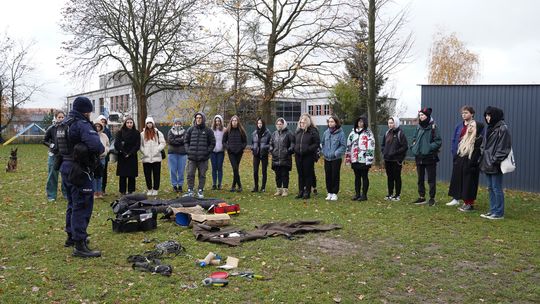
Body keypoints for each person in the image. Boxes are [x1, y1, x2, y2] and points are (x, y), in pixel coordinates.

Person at [58, 96, 104, 258]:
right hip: (79, 169)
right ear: (86, 111)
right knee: (82, 205)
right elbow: (97, 146)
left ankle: (71, 236)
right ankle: (80, 244)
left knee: (72, 203)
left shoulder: (63, 124)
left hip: (65, 166)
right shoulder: (81, 124)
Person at [480, 106, 511, 220]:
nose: (487, 118)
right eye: (486, 115)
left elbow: (504, 148)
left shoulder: (502, 129)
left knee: (496, 188)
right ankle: (493, 210)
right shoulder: (490, 128)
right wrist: (483, 154)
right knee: (490, 188)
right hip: (487, 162)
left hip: (495, 163)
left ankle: (498, 213)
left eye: (489, 115)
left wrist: (494, 160)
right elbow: (484, 144)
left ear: (495, 116)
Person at [448, 120, 484, 212]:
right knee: (463, 184)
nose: (470, 128)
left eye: (473, 126)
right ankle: (465, 202)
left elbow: (476, 155)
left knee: (470, 185)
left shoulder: (478, 140)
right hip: (462, 164)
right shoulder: (465, 138)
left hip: (471, 166)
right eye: (470, 126)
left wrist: (471, 165)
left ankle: (470, 204)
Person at [410, 108, 442, 206]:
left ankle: (432, 198)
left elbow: (438, 141)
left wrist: (428, 148)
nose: (421, 117)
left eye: (423, 115)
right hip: (419, 157)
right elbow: (414, 138)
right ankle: (421, 197)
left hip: (430, 157)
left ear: (427, 116)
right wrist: (413, 146)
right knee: (420, 178)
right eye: (420, 115)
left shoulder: (433, 127)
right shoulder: (418, 127)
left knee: (431, 179)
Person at [447, 106, 476, 206]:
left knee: (466, 178)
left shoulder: (474, 125)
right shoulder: (459, 126)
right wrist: (453, 151)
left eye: (466, 112)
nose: (464, 114)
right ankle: (455, 198)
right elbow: (454, 139)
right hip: (458, 155)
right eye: (463, 113)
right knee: (456, 177)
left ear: (472, 114)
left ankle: (467, 200)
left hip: (468, 155)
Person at [184, 112, 216, 198]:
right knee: (190, 174)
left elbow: (212, 143)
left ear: (203, 119)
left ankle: (200, 190)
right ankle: (190, 190)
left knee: (202, 175)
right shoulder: (190, 130)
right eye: (197, 118)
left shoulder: (208, 131)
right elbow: (186, 141)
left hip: (203, 158)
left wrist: (207, 152)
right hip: (192, 157)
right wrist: (188, 151)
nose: (198, 119)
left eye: (200, 118)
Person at [345, 116, 375, 201]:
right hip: (355, 158)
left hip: (364, 158)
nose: (360, 123)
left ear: (364, 123)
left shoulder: (368, 133)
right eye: (358, 122)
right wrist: (348, 157)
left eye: (362, 122)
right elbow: (348, 145)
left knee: (364, 176)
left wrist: (369, 158)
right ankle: (357, 194)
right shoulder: (353, 133)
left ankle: (364, 195)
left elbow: (371, 145)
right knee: (357, 176)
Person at [381, 116, 408, 201]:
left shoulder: (400, 133)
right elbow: (383, 145)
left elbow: (405, 147)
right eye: (389, 123)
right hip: (387, 159)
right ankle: (390, 194)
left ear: (395, 123)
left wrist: (395, 152)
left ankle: (397, 195)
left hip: (396, 160)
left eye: (392, 123)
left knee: (397, 177)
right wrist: (384, 152)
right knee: (389, 177)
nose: (390, 124)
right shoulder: (387, 133)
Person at [294, 113, 320, 199]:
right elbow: (295, 142)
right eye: (301, 122)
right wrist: (296, 149)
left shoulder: (313, 131)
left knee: (308, 174)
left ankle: (307, 192)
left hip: (308, 156)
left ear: (308, 122)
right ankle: (301, 191)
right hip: (298, 156)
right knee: (300, 174)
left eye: (304, 122)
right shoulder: (298, 132)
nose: (302, 124)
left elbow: (316, 143)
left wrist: (308, 149)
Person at [321, 115, 346, 201]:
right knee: (328, 175)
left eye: (332, 122)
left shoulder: (341, 133)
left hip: (336, 159)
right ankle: (329, 192)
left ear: (336, 123)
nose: (330, 123)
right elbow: (323, 143)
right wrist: (324, 152)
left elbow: (343, 146)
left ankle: (335, 193)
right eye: (329, 122)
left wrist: (336, 153)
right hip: (327, 158)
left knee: (335, 175)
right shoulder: (326, 132)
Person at [43, 111, 67, 202]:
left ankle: (66, 194)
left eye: (62, 117)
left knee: (65, 175)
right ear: (55, 118)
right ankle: (51, 195)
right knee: (52, 175)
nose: (61, 119)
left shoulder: (66, 128)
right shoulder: (51, 128)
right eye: (59, 117)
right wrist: (51, 145)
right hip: (54, 155)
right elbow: (44, 140)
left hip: (64, 155)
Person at [140, 117, 166, 196]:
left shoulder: (158, 133)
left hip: (156, 157)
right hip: (146, 158)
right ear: (146, 124)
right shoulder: (142, 134)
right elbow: (140, 145)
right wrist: (144, 152)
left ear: (153, 123)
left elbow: (163, 143)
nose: (149, 124)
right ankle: (149, 189)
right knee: (147, 174)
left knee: (156, 174)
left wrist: (157, 150)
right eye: (147, 123)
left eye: (150, 123)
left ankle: (155, 189)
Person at [270, 117, 295, 197]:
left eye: (280, 124)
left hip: (285, 158)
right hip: (276, 157)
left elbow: (292, 143)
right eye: (277, 124)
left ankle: (285, 190)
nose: (279, 125)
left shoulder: (289, 133)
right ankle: (278, 190)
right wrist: (271, 150)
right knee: (277, 175)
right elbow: (271, 143)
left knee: (285, 174)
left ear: (284, 124)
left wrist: (288, 151)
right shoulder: (274, 134)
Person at [115, 117, 140, 195]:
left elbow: (137, 145)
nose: (129, 124)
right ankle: (122, 191)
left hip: (132, 156)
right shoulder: (120, 132)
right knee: (122, 175)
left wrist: (130, 153)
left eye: (131, 122)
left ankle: (130, 191)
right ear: (125, 123)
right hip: (122, 156)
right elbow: (117, 143)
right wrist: (124, 152)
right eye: (128, 122)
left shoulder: (136, 133)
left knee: (131, 175)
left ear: (133, 123)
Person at [223, 115, 247, 192]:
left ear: (238, 121)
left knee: (235, 169)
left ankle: (233, 186)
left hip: (239, 153)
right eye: (233, 120)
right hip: (231, 153)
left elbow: (245, 142)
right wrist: (228, 147)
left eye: (235, 120)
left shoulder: (241, 130)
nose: (234, 122)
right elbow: (223, 142)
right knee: (235, 168)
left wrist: (241, 148)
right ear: (231, 121)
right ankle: (239, 185)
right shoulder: (227, 130)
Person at [251, 117, 271, 192]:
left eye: (261, 123)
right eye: (258, 123)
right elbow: (252, 143)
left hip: (264, 154)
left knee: (264, 171)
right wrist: (253, 148)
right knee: (255, 171)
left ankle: (263, 187)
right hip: (256, 154)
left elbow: (270, 144)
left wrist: (264, 148)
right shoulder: (254, 133)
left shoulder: (267, 133)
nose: (259, 125)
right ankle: (256, 187)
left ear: (263, 124)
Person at [167, 118, 187, 193]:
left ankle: (180, 185)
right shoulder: (170, 131)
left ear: (181, 124)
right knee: (173, 170)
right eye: (176, 123)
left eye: (179, 123)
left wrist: (176, 140)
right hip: (172, 153)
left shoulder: (185, 132)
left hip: (182, 154)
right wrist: (180, 140)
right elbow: (170, 140)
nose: (177, 125)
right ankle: (174, 185)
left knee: (181, 171)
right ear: (174, 124)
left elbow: (185, 140)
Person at [93, 120, 110, 199]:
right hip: (93, 158)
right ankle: (94, 192)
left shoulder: (104, 136)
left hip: (102, 157)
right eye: (96, 126)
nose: (97, 128)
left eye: (99, 126)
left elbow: (107, 145)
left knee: (100, 175)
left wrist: (105, 152)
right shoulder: (91, 135)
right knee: (93, 175)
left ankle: (99, 191)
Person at [96, 115, 112, 195]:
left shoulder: (106, 132)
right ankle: (95, 190)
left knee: (103, 173)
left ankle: (102, 189)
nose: (103, 123)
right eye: (101, 122)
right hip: (95, 157)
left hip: (104, 156)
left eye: (104, 122)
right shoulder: (93, 134)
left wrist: (105, 152)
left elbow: (108, 144)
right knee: (95, 174)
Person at [210, 115, 225, 190]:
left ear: (221, 121)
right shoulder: (211, 130)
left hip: (221, 152)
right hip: (213, 152)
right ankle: (214, 184)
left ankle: (219, 184)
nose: (217, 122)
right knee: (214, 167)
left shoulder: (224, 130)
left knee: (219, 167)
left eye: (219, 121)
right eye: (216, 121)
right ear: (214, 122)